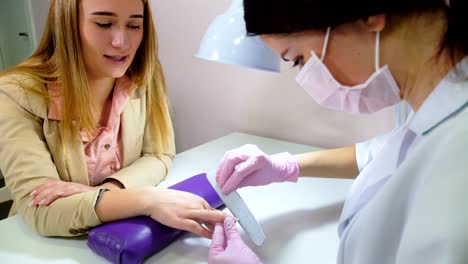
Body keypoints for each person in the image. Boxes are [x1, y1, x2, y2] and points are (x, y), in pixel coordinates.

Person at [208, 0, 468, 263]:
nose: (306, 77)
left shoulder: (455, 172)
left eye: (298, 59)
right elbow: (384, 152)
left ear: (369, 14)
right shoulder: (441, 105)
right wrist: (285, 165)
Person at [0, 0, 227, 238]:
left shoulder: (143, 73)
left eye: (134, 26)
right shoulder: (13, 94)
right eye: (104, 23)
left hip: (119, 232)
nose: (121, 42)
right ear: (67, 24)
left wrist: (109, 191)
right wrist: (146, 199)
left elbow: (159, 154)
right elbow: (42, 210)